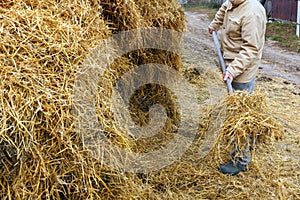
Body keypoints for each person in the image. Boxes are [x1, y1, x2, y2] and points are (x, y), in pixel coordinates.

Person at [208, 0, 266, 175]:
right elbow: (223, 10)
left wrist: (233, 71)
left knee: (241, 117)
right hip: (229, 65)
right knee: (234, 112)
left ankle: (241, 161)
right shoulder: (232, 2)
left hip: (242, 70)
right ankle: (245, 146)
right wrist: (214, 24)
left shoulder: (253, 12)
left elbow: (251, 48)